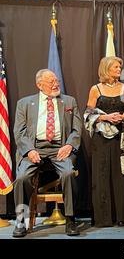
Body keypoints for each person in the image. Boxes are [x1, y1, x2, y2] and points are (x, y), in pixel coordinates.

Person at [13, 69, 82, 237]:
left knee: (67, 173)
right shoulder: (25, 103)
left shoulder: (69, 101)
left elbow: (77, 129)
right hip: (34, 148)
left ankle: (70, 219)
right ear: (39, 85)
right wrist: (29, 150)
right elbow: (19, 132)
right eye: (51, 82)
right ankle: (21, 220)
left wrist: (69, 145)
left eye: (56, 80)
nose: (56, 84)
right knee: (22, 178)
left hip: (59, 148)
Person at [84, 56, 124, 227]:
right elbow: (88, 113)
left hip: (122, 138)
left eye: (119, 67)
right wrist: (105, 117)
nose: (119, 70)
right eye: (116, 67)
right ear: (106, 69)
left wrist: (122, 117)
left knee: (122, 175)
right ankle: (104, 218)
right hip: (101, 140)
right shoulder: (96, 89)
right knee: (102, 175)